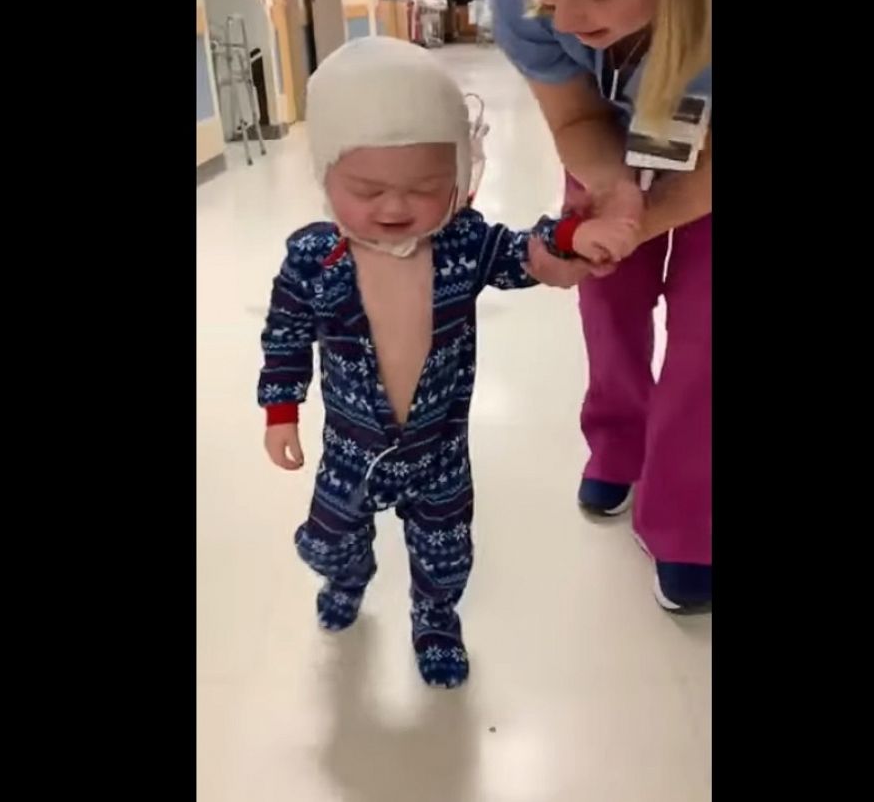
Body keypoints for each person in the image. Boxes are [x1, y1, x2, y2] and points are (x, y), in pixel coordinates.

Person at [257, 36, 639, 688]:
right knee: (334, 539)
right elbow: (286, 334)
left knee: (445, 548)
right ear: (326, 177)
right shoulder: (312, 258)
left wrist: (573, 237)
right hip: (352, 447)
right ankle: (350, 580)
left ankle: (435, 619)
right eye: (367, 188)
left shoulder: (464, 243)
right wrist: (281, 412)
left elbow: (528, 251)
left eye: (427, 187)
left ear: (460, 180)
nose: (396, 207)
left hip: (438, 450)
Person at [493, 0, 715, 612]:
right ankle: (617, 443)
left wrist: (649, 220)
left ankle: (687, 522)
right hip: (610, 128)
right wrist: (615, 198)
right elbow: (575, 116)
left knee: (706, 329)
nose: (562, 18)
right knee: (608, 294)